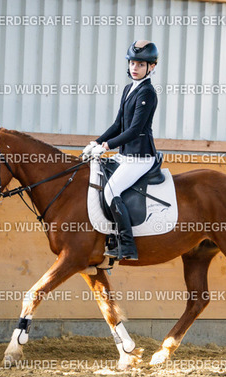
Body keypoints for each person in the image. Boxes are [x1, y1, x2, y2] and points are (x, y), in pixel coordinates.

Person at [83, 40, 160, 261]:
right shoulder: (129, 89)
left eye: (141, 64)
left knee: (110, 191)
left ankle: (127, 246)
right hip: (125, 155)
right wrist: (96, 142)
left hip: (140, 157)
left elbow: (134, 130)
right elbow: (118, 124)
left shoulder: (147, 93)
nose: (135, 68)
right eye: (132, 63)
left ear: (152, 67)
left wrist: (107, 146)